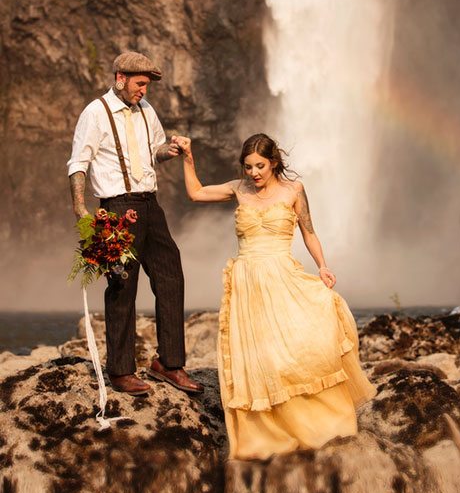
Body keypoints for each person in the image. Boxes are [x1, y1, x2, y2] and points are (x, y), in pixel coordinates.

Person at [175, 131, 376, 460]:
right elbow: (196, 193)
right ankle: (268, 433)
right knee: (258, 358)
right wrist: (187, 156)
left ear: (274, 163)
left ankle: (316, 424)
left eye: (260, 166)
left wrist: (323, 266)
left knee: (295, 349)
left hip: (282, 275)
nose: (253, 173)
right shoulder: (238, 189)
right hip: (248, 281)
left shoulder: (294, 190)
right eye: (248, 166)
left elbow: (309, 232)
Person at [67, 51, 203, 397]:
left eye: (147, 85)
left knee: (171, 275)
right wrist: (81, 209)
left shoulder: (147, 110)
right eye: (140, 84)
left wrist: (169, 150)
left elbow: (154, 149)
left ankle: (169, 364)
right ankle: (121, 370)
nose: (144, 90)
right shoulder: (95, 112)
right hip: (116, 206)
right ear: (121, 78)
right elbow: (78, 162)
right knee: (122, 287)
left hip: (149, 204)